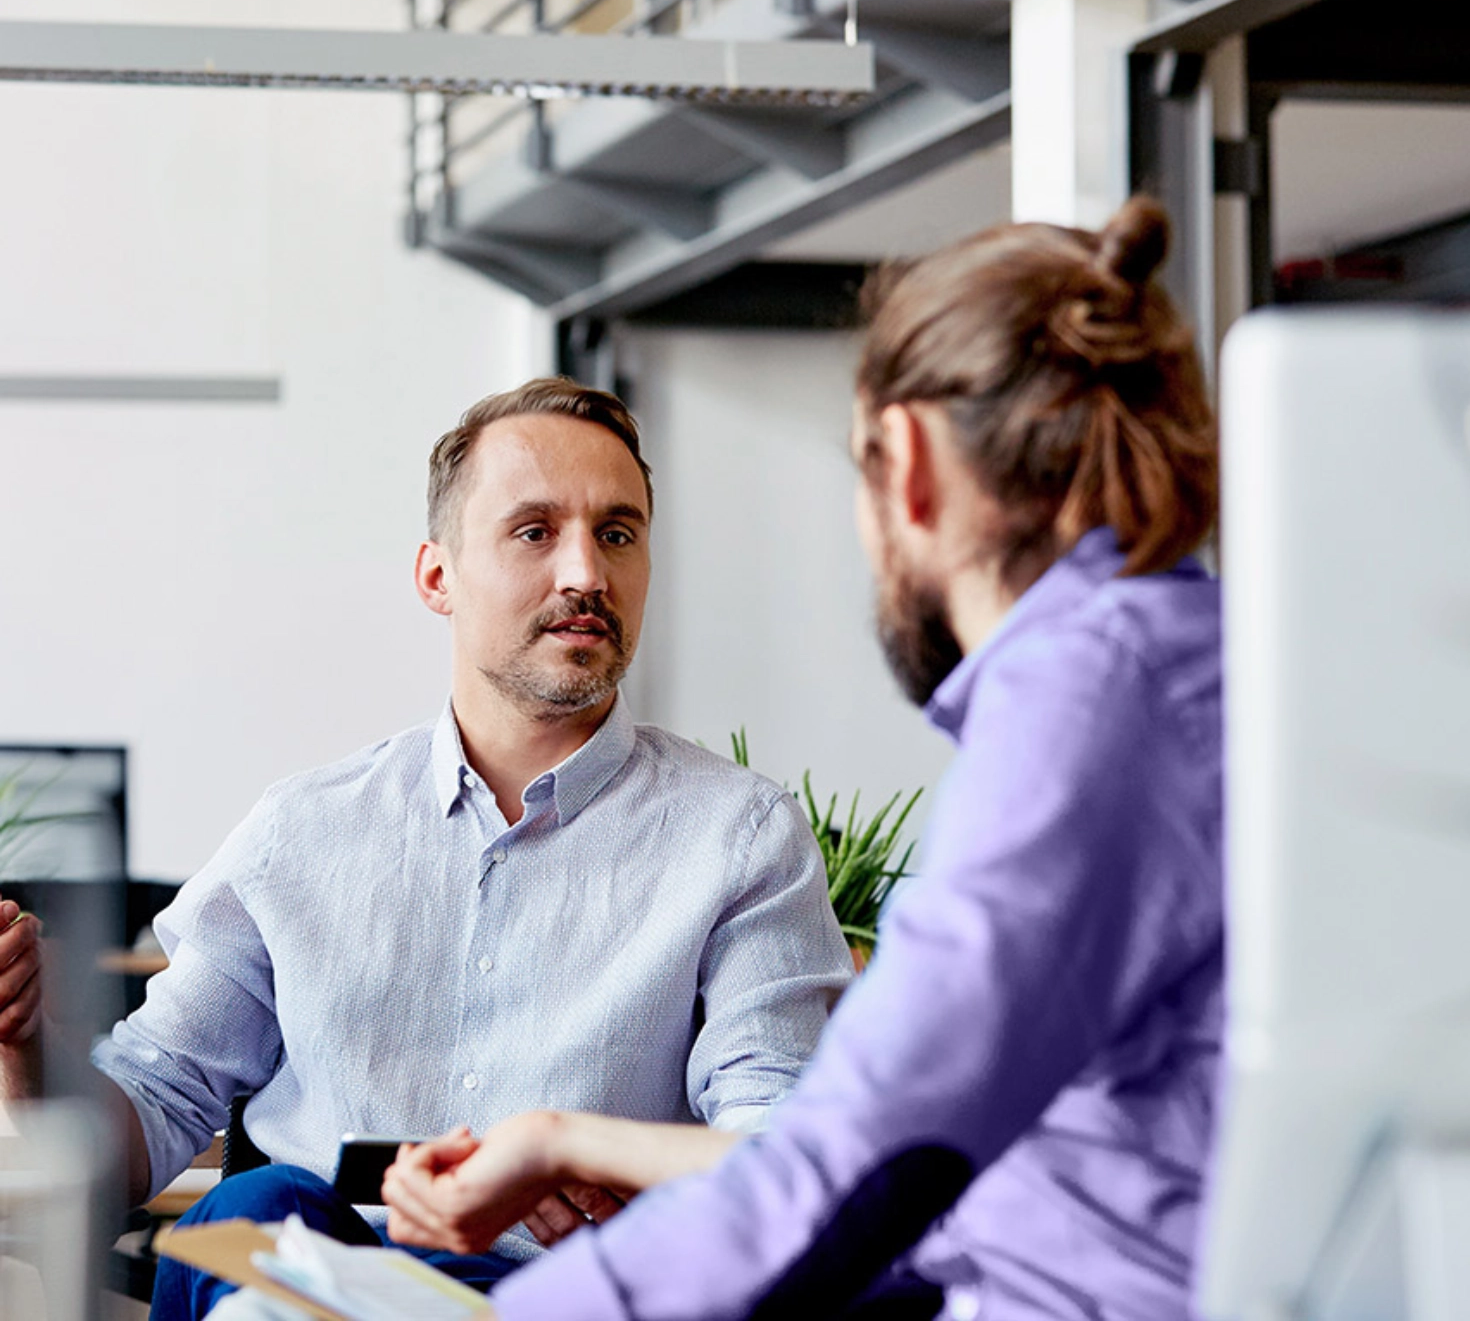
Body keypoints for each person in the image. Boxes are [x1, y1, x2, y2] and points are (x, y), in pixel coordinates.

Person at [375, 195, 1225, 1320]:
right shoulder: (1195, 662)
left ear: (907, 460)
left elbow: (844, 1177)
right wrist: (559, 1136)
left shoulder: (1080, 706)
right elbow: (869, 1148)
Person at [0, 379, 853, 1312]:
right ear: (438, 576)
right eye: (535, 532)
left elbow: (783, 1152)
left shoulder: (741, 839)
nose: (586, 574)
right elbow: (143, 1126)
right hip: (313, 1278)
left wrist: (629, 1184)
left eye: (618, 533)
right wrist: (25, 1043)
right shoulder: (303, 832)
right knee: (260, 1203)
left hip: (569, 1293)